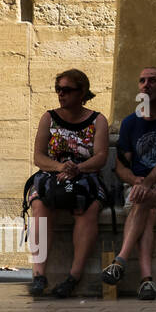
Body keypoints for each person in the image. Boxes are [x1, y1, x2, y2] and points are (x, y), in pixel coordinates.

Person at [101, 67, 156, 300]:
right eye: (142, 80)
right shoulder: (131, 123)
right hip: (139, 187)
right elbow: (120, 166)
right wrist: (135, 181)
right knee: (146, 208)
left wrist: (147, 183)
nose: (146, 85)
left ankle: (120, 261)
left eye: (152, 80)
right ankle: (146, 281)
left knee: (143, 197)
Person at [24, 70, 109, 298]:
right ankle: (39, 274)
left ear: (82, 92)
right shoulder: (49, 118)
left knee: (87, 208)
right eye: (58, 89)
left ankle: (74, 276)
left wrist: (77, 169)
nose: (61, 94)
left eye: (67, 90)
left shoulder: (97, 120)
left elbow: (101, 156)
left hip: (85, 174)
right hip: (53, 172)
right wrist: (62, 167)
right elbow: (39, 157)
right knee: (40, 205)